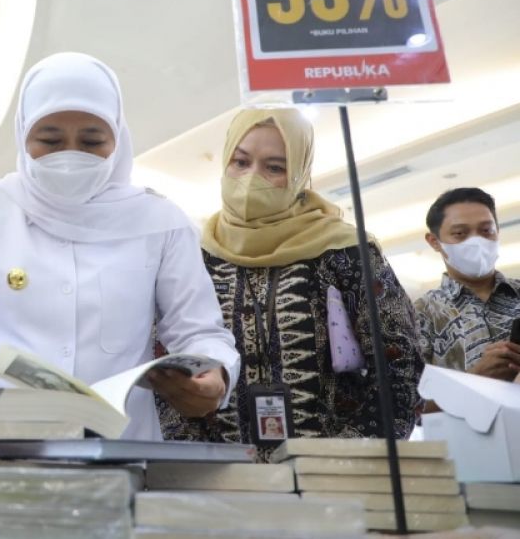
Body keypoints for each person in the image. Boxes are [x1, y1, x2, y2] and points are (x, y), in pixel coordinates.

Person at [0, 52, 241, 441]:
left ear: (118, 137)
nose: (70, 156)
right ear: (23, 133)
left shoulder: (160, 222)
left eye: (92, 141)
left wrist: (214, 374)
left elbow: (201, 333)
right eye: (49, 140)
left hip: (117, 454)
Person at [160, 108, 422, 454]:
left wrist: (351, 454)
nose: (252, 178)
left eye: (275, 167)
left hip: (329, 471)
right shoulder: (195, 254)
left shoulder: (343, 251)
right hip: (217, 471)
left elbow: (399, 362)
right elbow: (162, 364)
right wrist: (192, 452)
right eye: (240, 162)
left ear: (300, 174)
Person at [415, 187, 520, 380]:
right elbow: (410, 403)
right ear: (434, 241)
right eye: (460, 233)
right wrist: (475, 377)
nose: (477, 241)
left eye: (486, 231)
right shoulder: (421, 314)